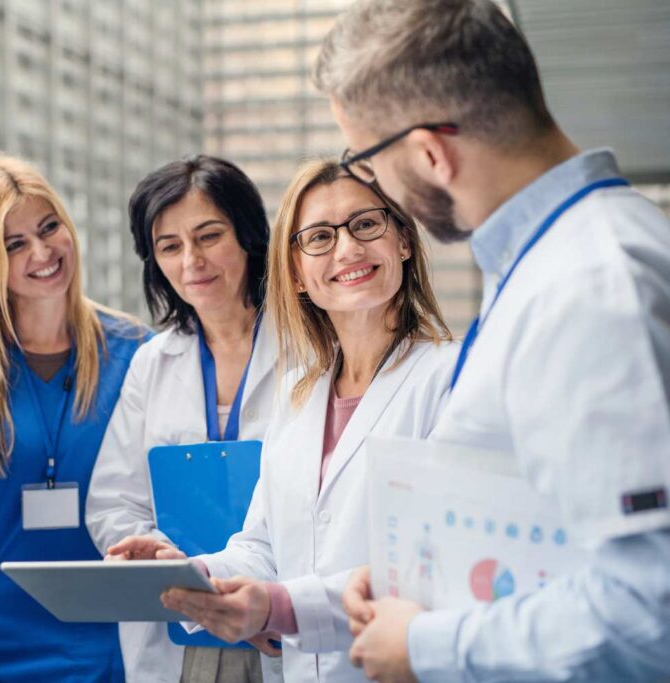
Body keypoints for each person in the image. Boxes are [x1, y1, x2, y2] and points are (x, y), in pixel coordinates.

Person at [314, 1, 670, 681]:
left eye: (364, 160)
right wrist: (416, 589)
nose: (375, 183)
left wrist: (430, 646)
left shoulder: (591, 287)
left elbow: (650, 609)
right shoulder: (556, 264)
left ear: (430, 152)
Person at [151, 159, 456, 682]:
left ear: (403, 240)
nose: (347, 249)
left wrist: (278, 608)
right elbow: (263, 547)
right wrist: (192, 574)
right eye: (318, 237)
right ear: (295, 272)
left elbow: (440, 567)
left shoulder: (451, 381)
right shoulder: (300, 395)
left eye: (366, 224)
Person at [0, 156, 151, 682]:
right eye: (14, 244)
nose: (43, 252)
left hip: (110, 643)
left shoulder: (137, 352)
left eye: (49, 227)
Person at [86, 155, 282, 683]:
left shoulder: (311, 348)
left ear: (247, 235)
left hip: (278, 619)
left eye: (209, 236)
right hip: (179, 626)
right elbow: (113, 500)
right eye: (170, 246)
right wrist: (164, 557)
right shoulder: (153, 360)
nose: (192, 260)